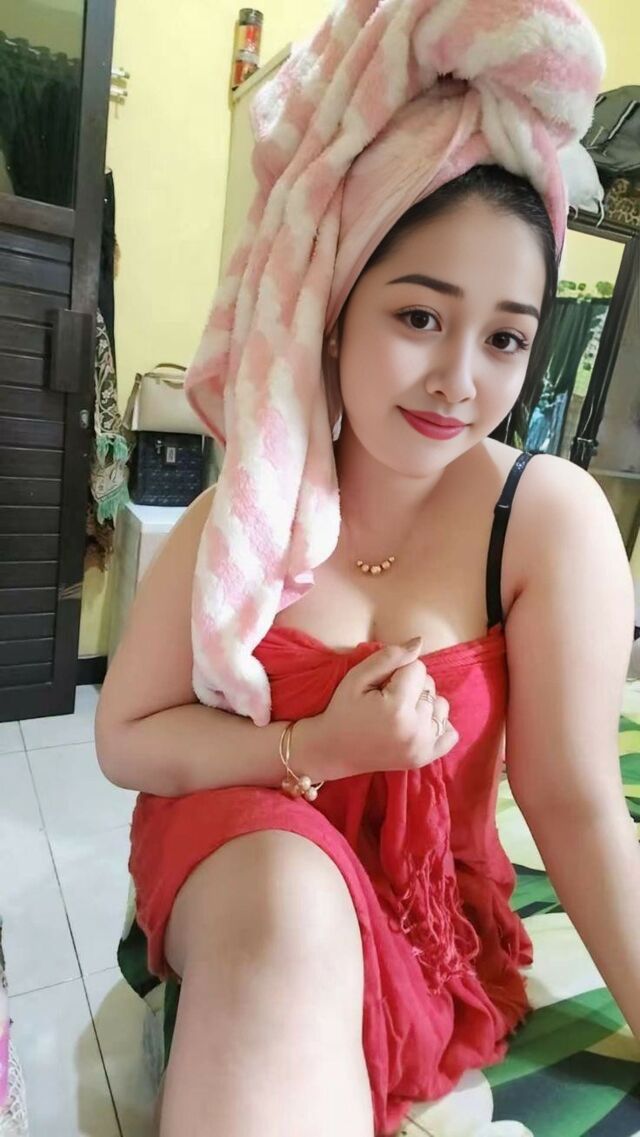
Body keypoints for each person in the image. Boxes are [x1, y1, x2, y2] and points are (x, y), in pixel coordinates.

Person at [96, 3, 638, 1136]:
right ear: (335, 309)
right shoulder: (242, 520)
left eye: (504, 337)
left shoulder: (543, 522)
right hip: (240, 859)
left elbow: (578, 803)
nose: (458, 380)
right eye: (418, 316)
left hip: (427, 902)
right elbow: (127, 739)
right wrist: (317, 750)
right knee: (285, 900)